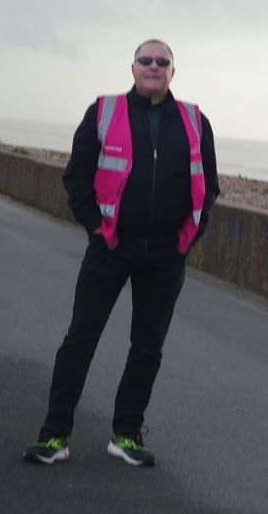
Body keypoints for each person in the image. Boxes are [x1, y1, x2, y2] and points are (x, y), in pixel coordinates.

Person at [23, 40, 220, 468]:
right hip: (112, 246)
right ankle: (54, 433)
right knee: (81, 339)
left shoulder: (194, 120)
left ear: (173, 71)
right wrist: (96, 228)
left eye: (162, 61)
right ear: (132, 68)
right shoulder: (104, 111)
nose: (153, 67)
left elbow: (209, 185)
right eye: (145, 60)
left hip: (167, 252)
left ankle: (126, 433)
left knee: (147, 348)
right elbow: (77, 177)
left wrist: (190, 236)